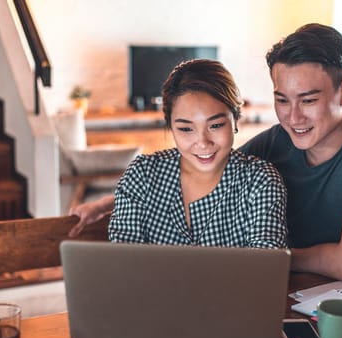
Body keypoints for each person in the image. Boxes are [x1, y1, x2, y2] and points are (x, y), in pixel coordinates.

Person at [69, 24, 342, 283]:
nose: (293, 117)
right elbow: (203, 162)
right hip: (293, 290)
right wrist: (106, 203)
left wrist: (269, 259)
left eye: (308, 100)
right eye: (282, 99)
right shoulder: (279, 140)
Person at [106, 59, 287, 248]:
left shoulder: (260, 181)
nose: (202, 143)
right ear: (171, 127)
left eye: (215, 125)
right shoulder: (141, 174)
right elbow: (124, 260)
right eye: (186, 129)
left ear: (236, 119)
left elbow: (267, 265)